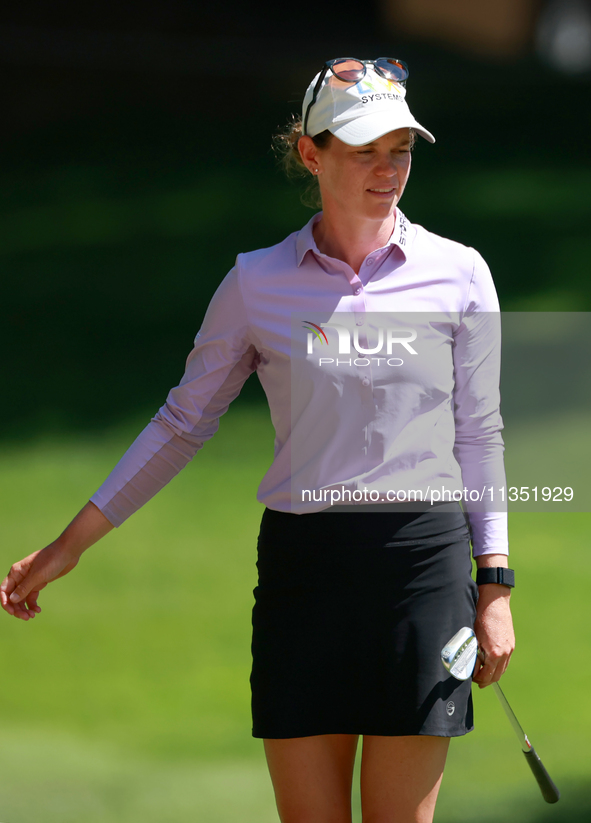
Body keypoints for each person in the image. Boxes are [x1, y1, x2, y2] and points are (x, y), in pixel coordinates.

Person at [1, 57, 515, 823]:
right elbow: (181, 423)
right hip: (302, 572)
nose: (387, 169)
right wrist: (71, 543)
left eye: (400, 149)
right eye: (364, 150)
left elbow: (479, 430)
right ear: (311, 154)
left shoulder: (460, 273)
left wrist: (495, 582)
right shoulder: (256, 282)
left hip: (421, 569)